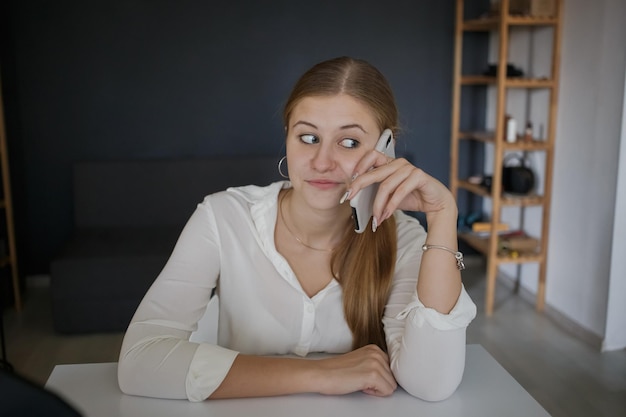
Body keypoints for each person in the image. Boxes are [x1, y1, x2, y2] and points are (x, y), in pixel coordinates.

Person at [118, 56, 476, 402]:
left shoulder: (405, 239)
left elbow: (432, 384)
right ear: (287, 137)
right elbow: (139, 362)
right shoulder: (223, 217)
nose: (322, 162)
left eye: (348, 142)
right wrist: (321, 375)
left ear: (386, 148)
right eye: (308, 137)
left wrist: (443, 214)